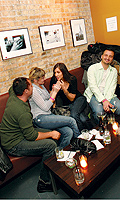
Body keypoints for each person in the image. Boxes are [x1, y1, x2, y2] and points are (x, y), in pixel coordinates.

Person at [0, 77, 61, 193]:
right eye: (31, 86)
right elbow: (31, 136)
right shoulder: (22, 112)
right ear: (25, 92)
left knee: (52, 134)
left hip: (17, 133)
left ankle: (53, 167)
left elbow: (10, 88)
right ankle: (44, 182)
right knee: (51, 145)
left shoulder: (14, 95)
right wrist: (51, 134)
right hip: (14, 143)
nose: (33, 86)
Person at [29, 67, 81, 148]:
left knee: (68, 132)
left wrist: (53, 90)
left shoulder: (41, 86)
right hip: (40, 118)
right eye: (42, 78)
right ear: (35, 80)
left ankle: (59, 152)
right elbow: (46, 107)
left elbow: (48, 99)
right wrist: (55, 92)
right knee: (71, 120)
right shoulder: (33, 90)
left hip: (48, 115)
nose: (44, 79)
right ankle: (80, 143)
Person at [50, 63, 94, 131]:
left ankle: (82, 134)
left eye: (58, 72)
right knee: (83, 119)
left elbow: (72, 98)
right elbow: (51, 96)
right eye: (55, 72)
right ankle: (90, 132)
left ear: (63, 72)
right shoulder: (54, 80)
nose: (56, 75)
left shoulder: (72, 79)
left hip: (78, 100)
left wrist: (64, 89)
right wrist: (54, 90)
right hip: (67, 105)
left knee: (74, 115)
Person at [84, 48, 120, 124]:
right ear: (101, 56)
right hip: (94, 95)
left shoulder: (113, 71)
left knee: (119, 107)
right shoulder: (92, 68)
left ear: (112, 59)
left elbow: (112, 88)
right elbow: (93, 87)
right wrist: (103, 100)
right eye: (106, 55)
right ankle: (101, 130)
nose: (107, 58)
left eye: (110, 56)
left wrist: (107, 101)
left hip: (109, 95)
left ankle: (115, 129)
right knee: (99, 112)